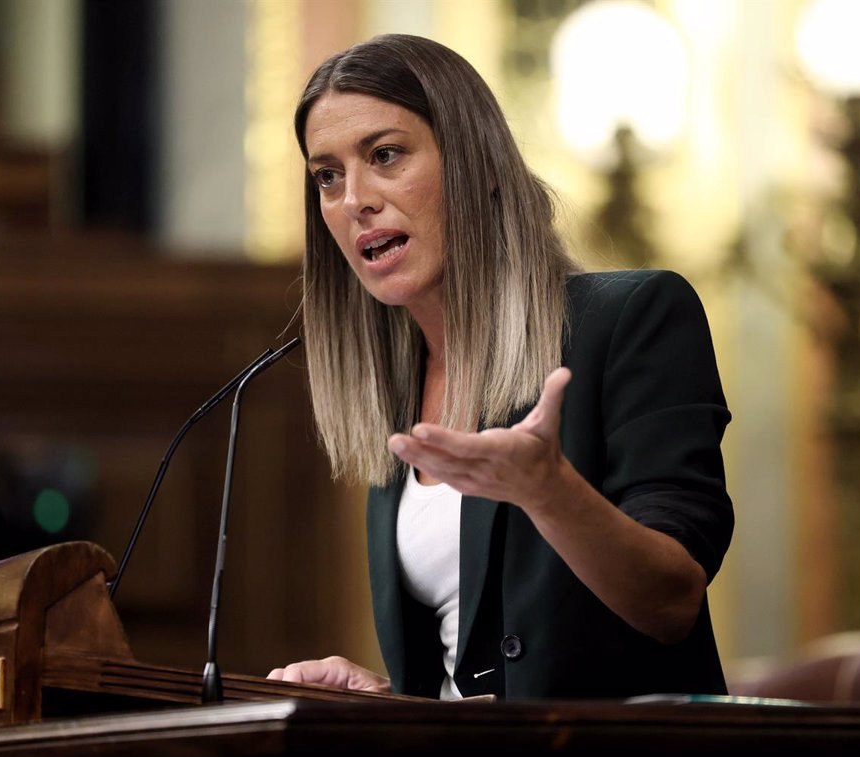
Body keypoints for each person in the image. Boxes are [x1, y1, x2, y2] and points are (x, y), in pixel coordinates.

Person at [267, 34, 733, 700]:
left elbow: (672, 599)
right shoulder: (400, 405)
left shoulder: (633, 318)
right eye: (327, 175)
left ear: (478, 161)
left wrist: (550, 492)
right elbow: (475, 676)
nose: (354, 199)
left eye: (385, 154)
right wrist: (388, 700)